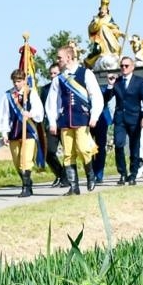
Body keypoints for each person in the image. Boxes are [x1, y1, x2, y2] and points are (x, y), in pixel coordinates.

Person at [44, 42, 104, 194]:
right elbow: (52, 102)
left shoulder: (86, 73)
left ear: (69, 57)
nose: (58, 60)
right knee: (68, 153)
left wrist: (95, 115)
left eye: (60, 58)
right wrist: (52, 121)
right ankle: (74, 186)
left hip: (82, 118)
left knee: (84, 149)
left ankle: (90, 176)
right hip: (65, 121)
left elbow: (96, 95)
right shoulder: (58, 79)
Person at [0, 68, 46, 197]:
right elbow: (4, 115)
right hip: (14, 132)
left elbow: (38, 110)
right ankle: (27, 181)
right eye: (14, 81)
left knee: (26, 159)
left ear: (24, 81)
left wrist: (30, 114)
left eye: (19, 81)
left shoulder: (30, 93)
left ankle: (26, 188)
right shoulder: (8, 95)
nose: (17, 84)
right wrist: (4, 133)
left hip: (28, 132)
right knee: (17, 162)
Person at [109, 56, 143, 183]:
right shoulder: (117, 81)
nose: (124, 68)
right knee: (118, 144)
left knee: (134, 147)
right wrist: (110, 86)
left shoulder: (139, 81)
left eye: (126, 66)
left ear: (132, 67)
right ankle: (122, 173)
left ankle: (133, 174)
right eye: (122, 66)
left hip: (134, 118)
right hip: (120, 118)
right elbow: (106, 98)